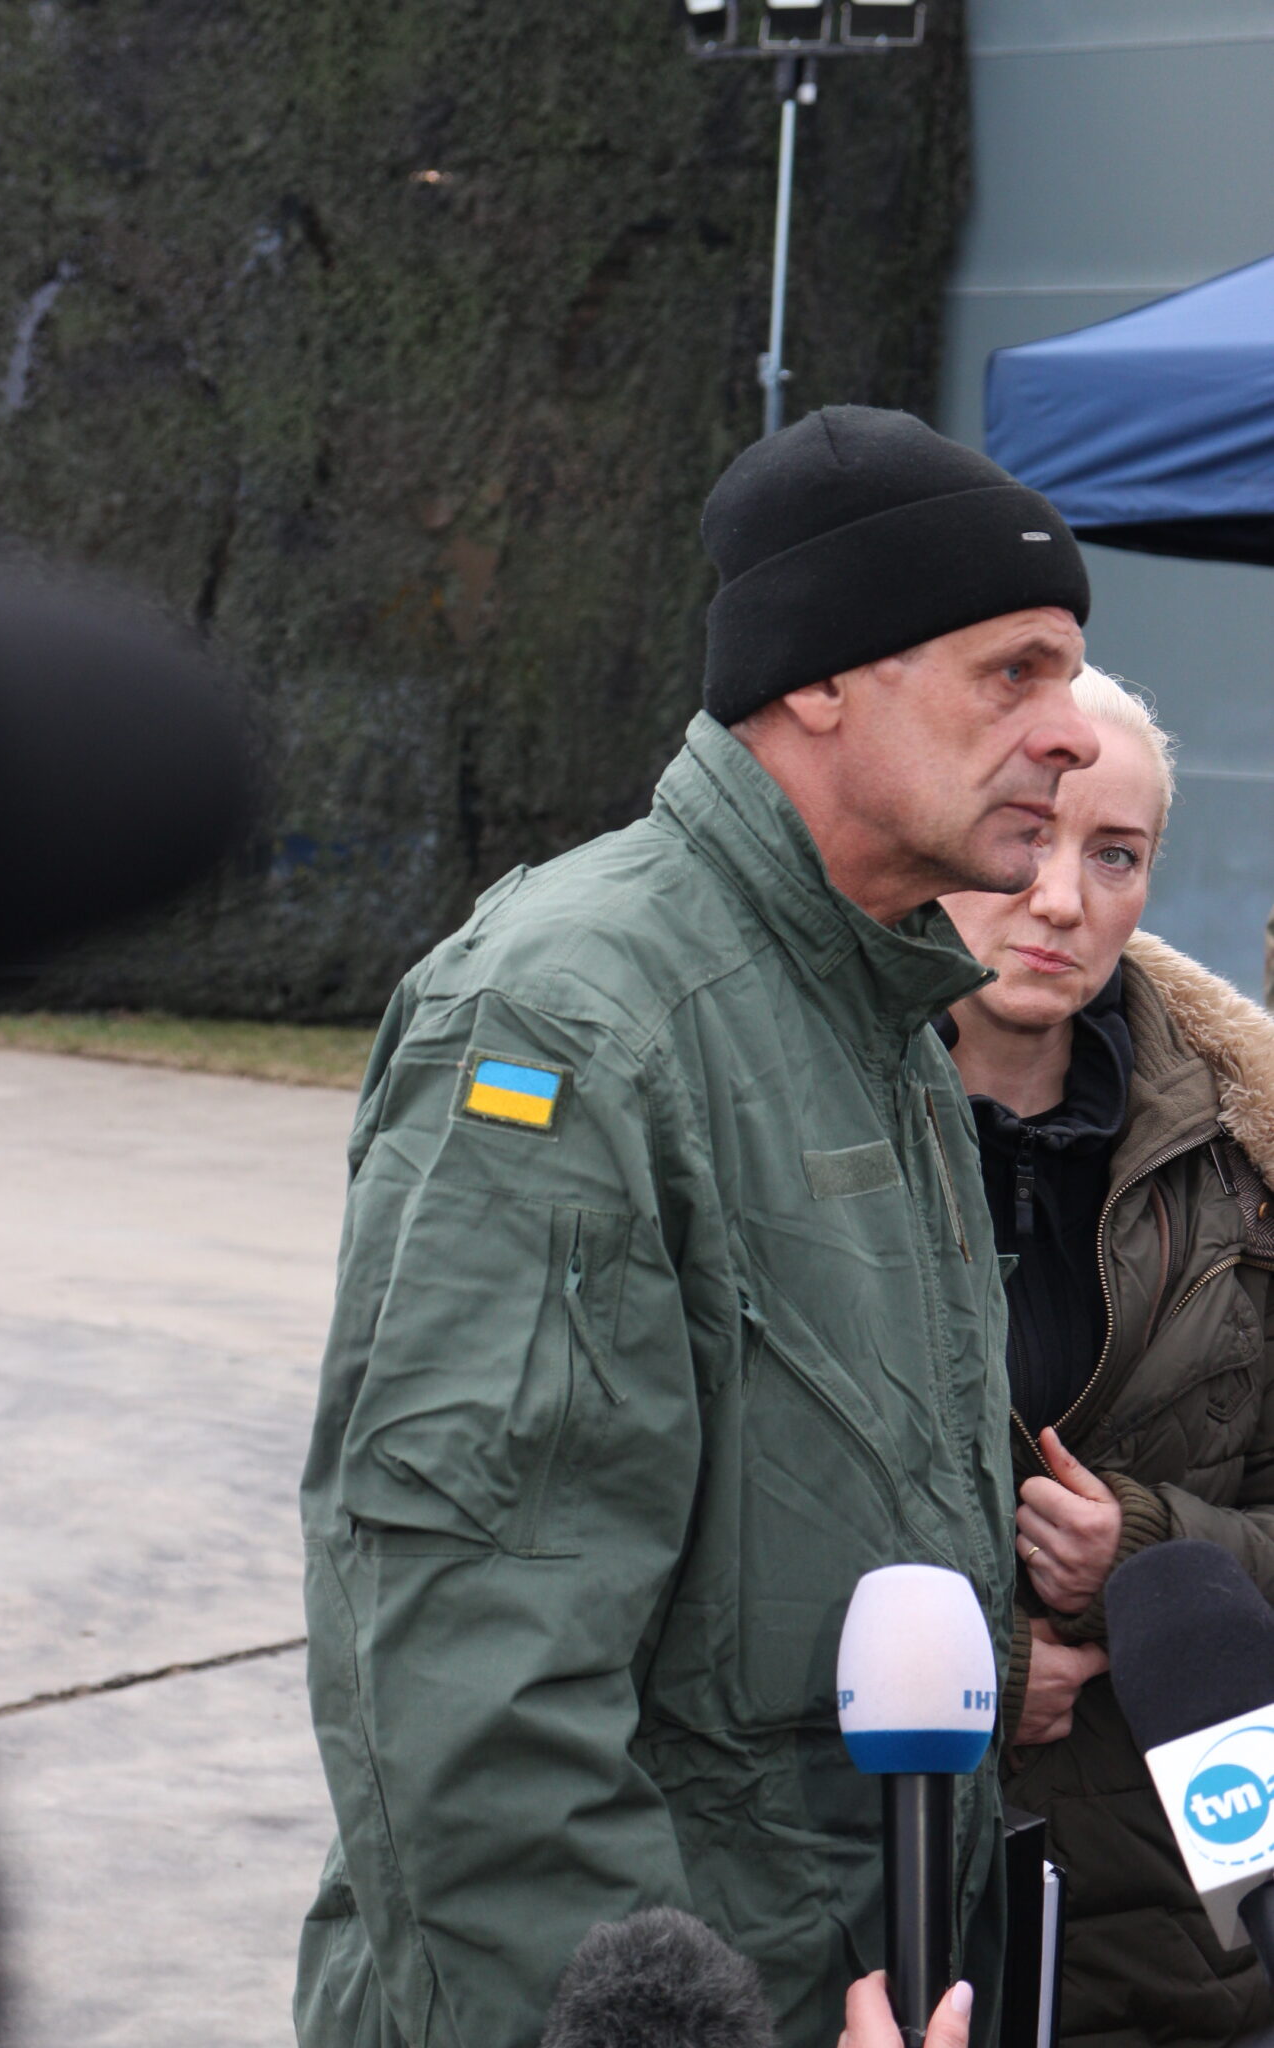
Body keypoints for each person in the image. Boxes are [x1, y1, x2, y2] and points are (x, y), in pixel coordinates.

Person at [295, 406, 1098, 2048]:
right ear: (820, 678)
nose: (1070, 733)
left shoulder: (873, 1013)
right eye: (1012, 672)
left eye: (1069, 678)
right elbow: (472, 1661)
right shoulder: (569, 1020)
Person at [939, 665, 1274, 2048]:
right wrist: (970, 1675)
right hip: (883, 1905)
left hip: (1182, 1937)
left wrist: (1147, 1549)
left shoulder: (1246, 1163)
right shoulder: (800, 1134)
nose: (1061, 900)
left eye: (1116, 855)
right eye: (1027, 837)